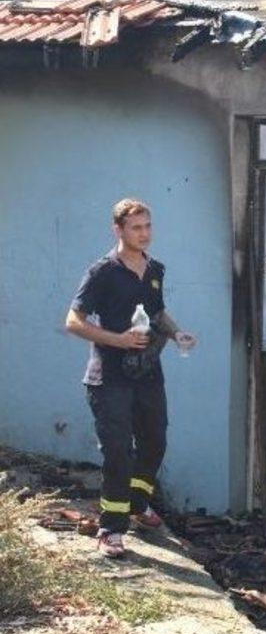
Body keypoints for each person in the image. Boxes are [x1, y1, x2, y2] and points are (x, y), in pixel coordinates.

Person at [65, 198, 196, 558]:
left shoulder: (155, 269)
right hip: (109, 378)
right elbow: (73, 322)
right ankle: (111, 528)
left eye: (148, 226)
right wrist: (118, 340)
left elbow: (157, 312)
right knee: (118, 451)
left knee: (154, 441)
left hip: (147, 373)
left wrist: (176, 333)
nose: (144, 234)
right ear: (118, 230)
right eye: (136, 227)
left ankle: (138, 503)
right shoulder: (102, 271)